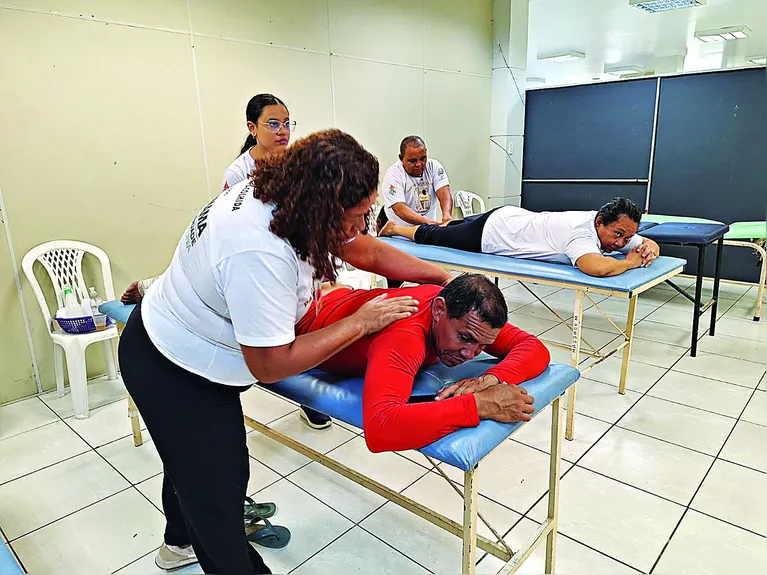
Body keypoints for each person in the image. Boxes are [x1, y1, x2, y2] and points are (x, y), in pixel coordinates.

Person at [118, 129, 453, 575]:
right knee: (220, 490)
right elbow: (271, 365)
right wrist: (362, 321)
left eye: (367, 211)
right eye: (354, 215)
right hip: (174, 368)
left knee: (193, 466)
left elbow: (364, 249)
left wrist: (441, 279)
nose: (361, 224)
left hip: (173, 340)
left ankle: (178, 543)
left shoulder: (286, 195)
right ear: (321, 207)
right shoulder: (259, 249)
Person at [121, 94, 334, 434]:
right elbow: (236, 241)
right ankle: (150, 287)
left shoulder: (296, 162)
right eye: (273, 124)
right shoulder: (240, 174)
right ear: (252, 128)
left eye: (287, 123)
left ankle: (310, 403)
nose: (282, 131)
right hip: (239, 274)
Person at [296, 274, 549, 451]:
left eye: (482, 346)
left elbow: (534, 348)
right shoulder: (404, 337)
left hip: (340, 298)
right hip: (303, 318)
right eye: (465, 338)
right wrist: (480, 404)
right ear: (439, 310)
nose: (470, 355)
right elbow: (381, 428)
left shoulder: (467, 317)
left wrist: (489, 379)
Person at [379, 197, 661, 278]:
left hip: (510, 216)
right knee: (434, 235)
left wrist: (648, 247)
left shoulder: (609, 226)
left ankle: (454, 225)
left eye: (628, 238)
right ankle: (395, 229)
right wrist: (632, 263)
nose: (622, 243)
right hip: (493, 234)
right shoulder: (581, 233)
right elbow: (595, 267)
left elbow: (649, 245)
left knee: (453, 228)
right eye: (618, 235)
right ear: (601, 222)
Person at [377, 135, 454, 288]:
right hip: (398, 231)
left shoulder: (434, 167)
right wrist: (429, 223)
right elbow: (400, 209)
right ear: (401, 158)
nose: (419, 164)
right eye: (413, 161)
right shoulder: (393, 174)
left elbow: (444, 192)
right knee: (395, 282)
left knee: (428, 279)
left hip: (423, 230)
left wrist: (447, 216)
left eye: (423, 158)